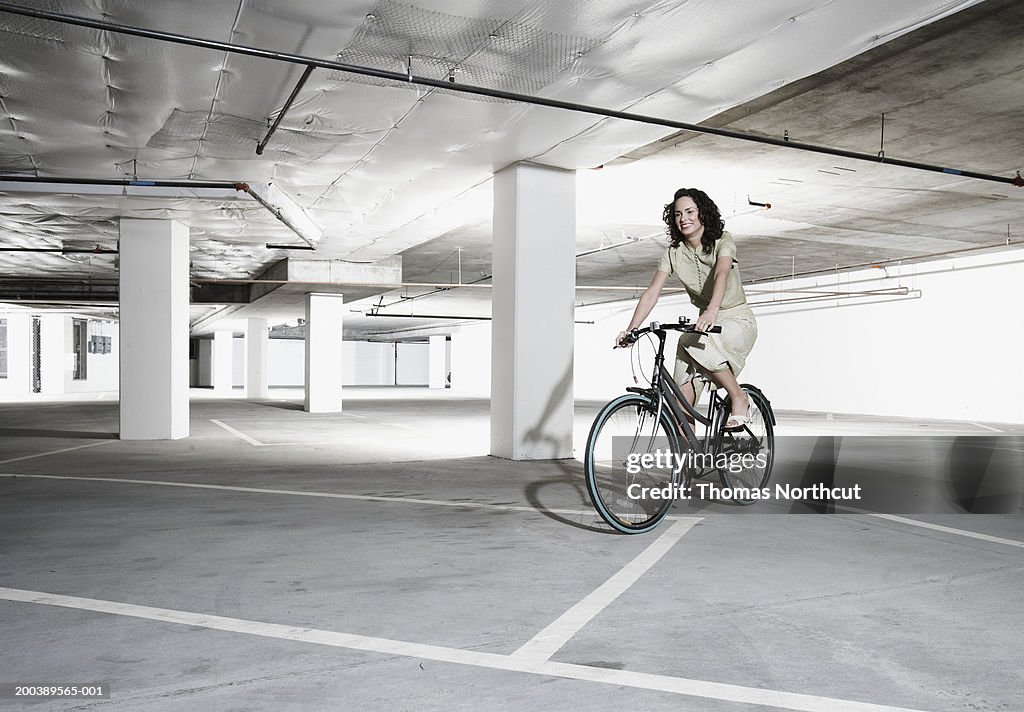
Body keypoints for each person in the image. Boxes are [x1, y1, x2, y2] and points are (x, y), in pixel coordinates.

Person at [616, 188, 757, 429]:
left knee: (689, 341)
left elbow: (722, 273)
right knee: (679, 404)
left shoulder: (723, 241)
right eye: (678, 214)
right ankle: (690, 463)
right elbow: (652, 293)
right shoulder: (673, 254)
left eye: (690, 211)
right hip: (705, 323)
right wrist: (631, 329)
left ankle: (738, 397)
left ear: (703, 213)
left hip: (737, 319)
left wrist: (712, 310)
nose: (684, 218)